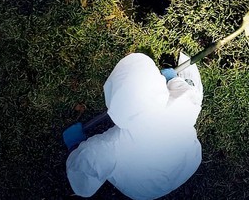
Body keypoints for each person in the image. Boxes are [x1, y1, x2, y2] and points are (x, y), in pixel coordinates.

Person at [64, 53, 204, 199]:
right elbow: (191, 96)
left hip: (146, 187)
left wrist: (75, 145)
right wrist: (172, 79)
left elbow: (83, 183)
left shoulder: (110, 146)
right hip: (187, 162)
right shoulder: (178, 106)